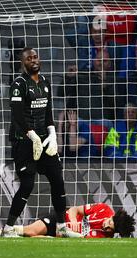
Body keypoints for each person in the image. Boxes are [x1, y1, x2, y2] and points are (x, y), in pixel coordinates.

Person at [5, 47, 82, 238]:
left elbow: (47, 112)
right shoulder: (19, 84)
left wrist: (52, 135)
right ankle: (8, 228)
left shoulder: (45, 82)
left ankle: (62, 228)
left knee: (58, 180)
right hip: (24, 141)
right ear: (23, 63)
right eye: (29, 58)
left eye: (35, 57)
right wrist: (32, 136)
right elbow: (16, 115)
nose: (33, 60)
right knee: (27, 185)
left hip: (44, 140)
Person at [0, 203, 135, 239]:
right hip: (60, 220)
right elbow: (74, 210)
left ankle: (7, 236)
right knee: (30, 231)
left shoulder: (103, 239)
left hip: (61, 237)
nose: (105, 226)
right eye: (108, 222)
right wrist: (71, 221)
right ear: (112, 217)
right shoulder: (104, 209)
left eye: (109, 229)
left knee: (36, 239)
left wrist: (69, 233)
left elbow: (75, 244)